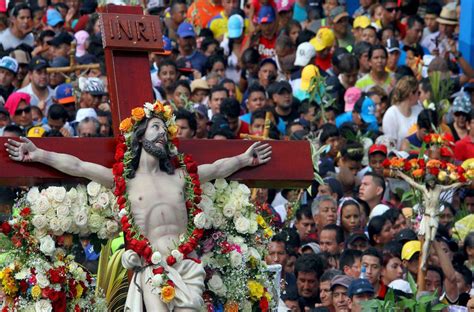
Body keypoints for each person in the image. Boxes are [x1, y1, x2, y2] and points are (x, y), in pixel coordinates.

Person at [5, 104, 273, 310]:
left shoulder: (181, 177)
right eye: (156, 127)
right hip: (151, 266)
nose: (162, 135)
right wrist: (38, 154)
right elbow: (78, 166)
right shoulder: (125, 180)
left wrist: (243, 159)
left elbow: (216, 168)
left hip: (186, 264)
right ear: (140, 134)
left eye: (165, 132)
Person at [382, 76, 422, 149]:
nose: (419, 96)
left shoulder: (419, 110)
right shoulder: (391, 114)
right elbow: (390, 147)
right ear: (410, 94)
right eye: (418, 93)